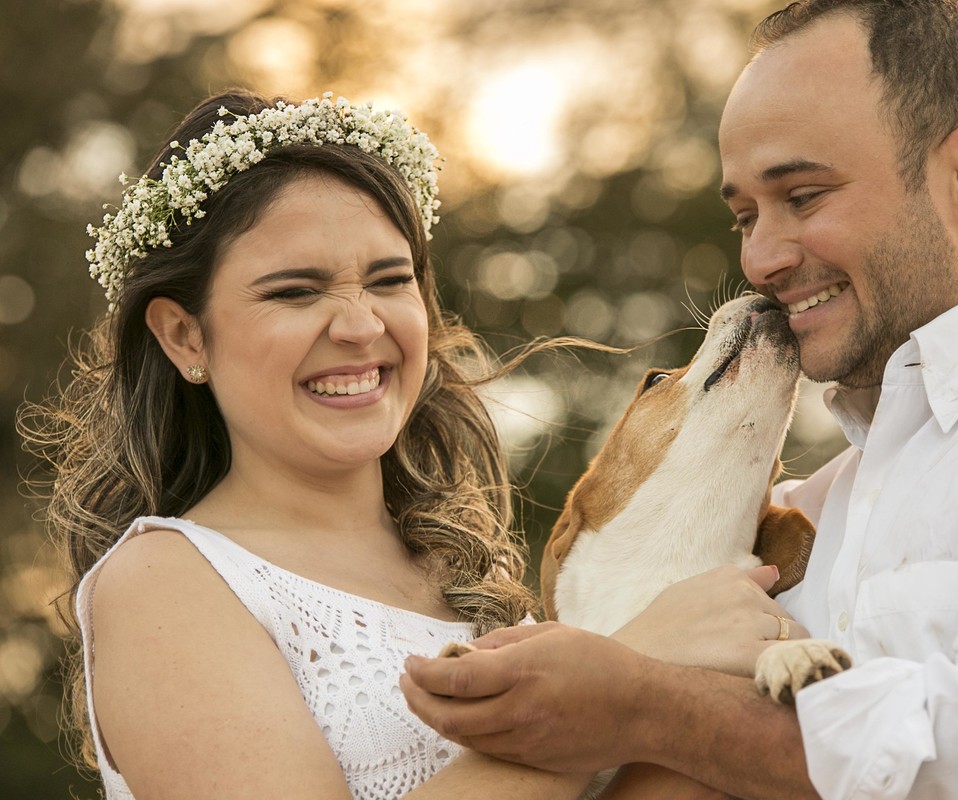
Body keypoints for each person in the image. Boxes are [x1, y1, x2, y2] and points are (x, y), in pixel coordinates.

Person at [400, 1, 958, 797]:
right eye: (745, 216)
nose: (761, 259)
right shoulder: (794, 511)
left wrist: (648, 707)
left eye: (803, 197)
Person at [22, 88, 622, 799]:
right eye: (295, 292)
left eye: (390, 280)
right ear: (185, 336)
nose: (360, 325)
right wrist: (625, 693)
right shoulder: (165, 583)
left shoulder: (462, 563)